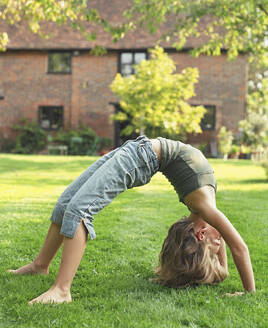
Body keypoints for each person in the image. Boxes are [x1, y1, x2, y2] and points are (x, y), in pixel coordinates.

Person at [8, 136, 255, 304]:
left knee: (79, 211)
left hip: (140, 157)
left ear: (200, 235)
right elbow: (236, 247)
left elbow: (234, 246)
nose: (220, 241)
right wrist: (238, 283)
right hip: (137, 149)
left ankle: (62, 290)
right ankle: (40, 265)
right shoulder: (206, 211)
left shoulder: (203, 209)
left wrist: (236, 283)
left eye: (215, 245)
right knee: (65, 205)